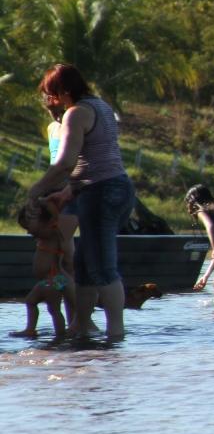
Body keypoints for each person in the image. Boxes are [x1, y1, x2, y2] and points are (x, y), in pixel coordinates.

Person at [27, 64, 136, 340]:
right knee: (86, 266)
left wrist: (35, 190)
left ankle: (115, 333)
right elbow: (97, 159)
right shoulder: (101, 106)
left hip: (102, 192)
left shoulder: (76, 114)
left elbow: (65, 163)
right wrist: (66, 193)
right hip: (112, 188)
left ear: (64, 91)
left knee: (102, 267)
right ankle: (81, 326)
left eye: (52, 94)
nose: (50, 100)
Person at [10, 197, 72, 338]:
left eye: (30, 229)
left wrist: (43, 203)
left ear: (48, 223)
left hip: (54, 279)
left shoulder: (53, 234)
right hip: (48, 280)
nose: (29, 233)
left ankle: (60, 334)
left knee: (52, 308)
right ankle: (33, 329)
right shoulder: (42, 237)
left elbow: (56, 215)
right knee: (35, 303)